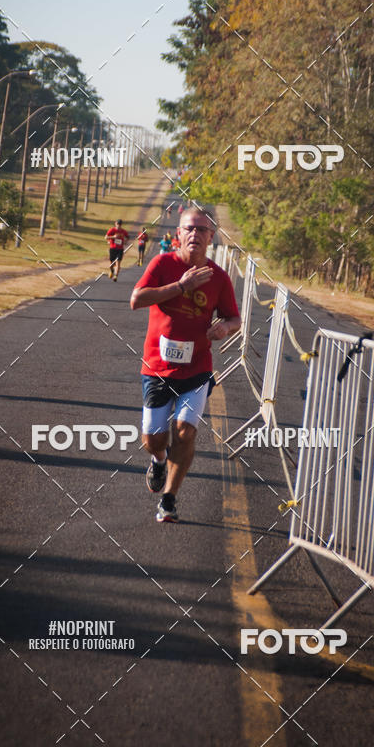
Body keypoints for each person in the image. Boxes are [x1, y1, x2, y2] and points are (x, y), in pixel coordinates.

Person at [130, 207, 241, 522]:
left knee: (186, 431)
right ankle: (159, 460)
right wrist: (181, 286)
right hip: (156, 368)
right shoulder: (163, 264)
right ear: (178, 233)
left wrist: (225, 328)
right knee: (153, 438)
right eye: (189, 228)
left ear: (211, 236)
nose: (195, 234)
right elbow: (136, 299)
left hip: (197, 369)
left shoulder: (219, 277)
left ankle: (169, 499)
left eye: (202, 230)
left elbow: (234, 318)